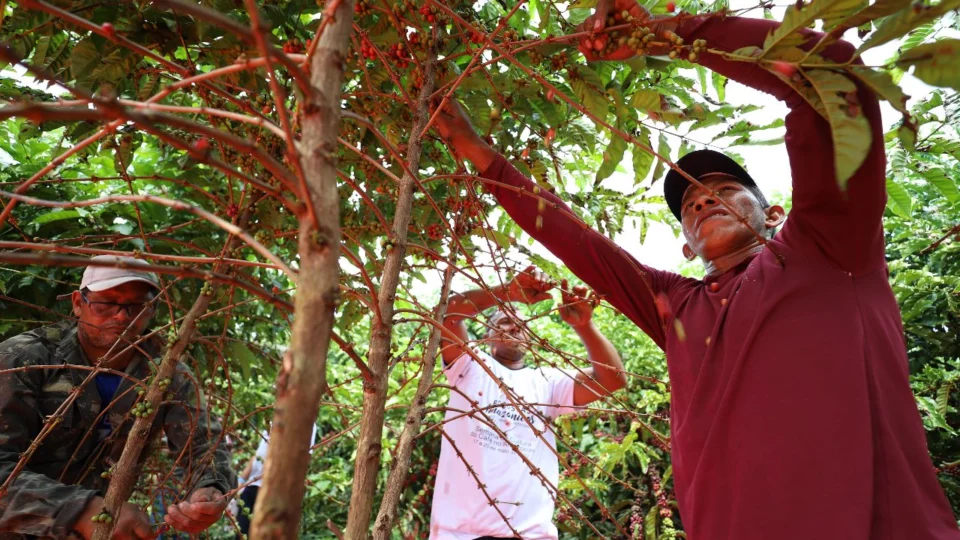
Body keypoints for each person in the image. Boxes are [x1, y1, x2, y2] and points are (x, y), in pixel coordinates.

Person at [431, 2, 960, 538]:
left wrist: (672, 34)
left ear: (773, 213)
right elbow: (577, 242)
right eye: (690, 206)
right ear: (686, 248)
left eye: (724, 190)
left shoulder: (830, 250)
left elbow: (833, 71)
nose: (704, 202)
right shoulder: (673, 307)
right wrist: (484, 159)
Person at [0, 255, 236, 539]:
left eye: (138, 306)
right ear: (78, 303)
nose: (123, 316)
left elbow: (204, 449)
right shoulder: (23, 360)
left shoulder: (167, 374)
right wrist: (81, 510)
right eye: (106, 303)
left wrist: (208, 491)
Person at [430, 266, 627, 539]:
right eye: (504, 322)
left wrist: (585, 326)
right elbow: (448, 314)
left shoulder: (547, 383)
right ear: (487, 336)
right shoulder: (470, 366)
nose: (515, 326)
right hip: (460, 535)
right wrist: (506, 293)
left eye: (521, 323)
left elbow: (612, 380)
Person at [235, 422, 318, 539]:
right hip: (252, 487)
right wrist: (241, 480)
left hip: (274, 492)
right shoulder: (273, 416)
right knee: (242, 533)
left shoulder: (306, 422)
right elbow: (258, 453)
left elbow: (304, 458)